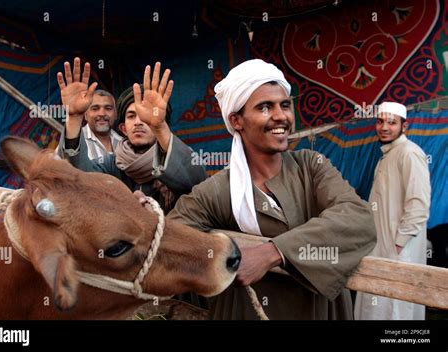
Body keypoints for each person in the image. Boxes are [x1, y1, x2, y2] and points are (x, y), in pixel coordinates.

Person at [164, 59, 377, 319]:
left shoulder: (310, 166)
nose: (281, 116)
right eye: (265, 107)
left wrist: (273, 252)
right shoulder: (219, 190)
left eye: (285, 105)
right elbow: (168, 239)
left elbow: (358, 218)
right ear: (237, 120)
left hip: (317, 310)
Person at [56, 58, 207, 213]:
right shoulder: (112, 164)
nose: (138, 122)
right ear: (123, 129)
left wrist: (160, 128)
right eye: (131, 116)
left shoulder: (179, 158)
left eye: (146, 116)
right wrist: (74, 118)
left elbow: (197, 183)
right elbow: (79, 179)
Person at [354, 102, 431, 320]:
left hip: (398, 250)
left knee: (397, 308)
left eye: (392, 122)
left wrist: (399, 243)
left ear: (404, 126)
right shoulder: (388, 155)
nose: (384, 127)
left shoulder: (410, 153)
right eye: (380, 121)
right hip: (382, 246)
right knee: (377, 304)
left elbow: (419, 204)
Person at [55, 89, 122, 162]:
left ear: (115, 114)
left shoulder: (123, 144)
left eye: (108, 108)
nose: (102, 113)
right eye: (95, 109)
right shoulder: (73, 142)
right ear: (86, 114)